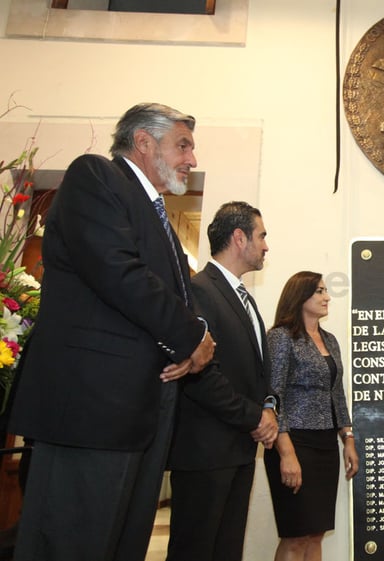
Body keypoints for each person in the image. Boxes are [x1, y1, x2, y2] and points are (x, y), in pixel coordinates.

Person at [8, 102, 216, 561]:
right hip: (92, 409)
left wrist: (191, 334)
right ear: (143, 142)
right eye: (183, 145)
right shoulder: (97, 177)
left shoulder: (156, 212)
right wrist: (192, 338)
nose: (191, 159)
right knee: (72, 543)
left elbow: (176, 294)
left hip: (141, 413)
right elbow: (119, 272)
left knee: (121, 544)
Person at [166, 201, 278, 561]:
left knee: (226, 550)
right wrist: (254, 418)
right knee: (195, 550)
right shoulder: (199, 290)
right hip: (205, 452)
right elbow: (200, 374)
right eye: (261, 236)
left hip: (239, 450)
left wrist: (269, 408)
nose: (265, 246)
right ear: (239, 237)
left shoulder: (243, 298)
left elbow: (257, 371)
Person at [264, 271, 359, 561]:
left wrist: (348, 439)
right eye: (319, 291)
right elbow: (273, 397)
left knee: (316, 533)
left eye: (325, 290)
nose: (327, 296)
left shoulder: (330, 340)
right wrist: (287, 452)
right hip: (293, 442)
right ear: (300, 296)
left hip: (325, 446)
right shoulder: (281, 337)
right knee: (295, 536)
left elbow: (337, 394)